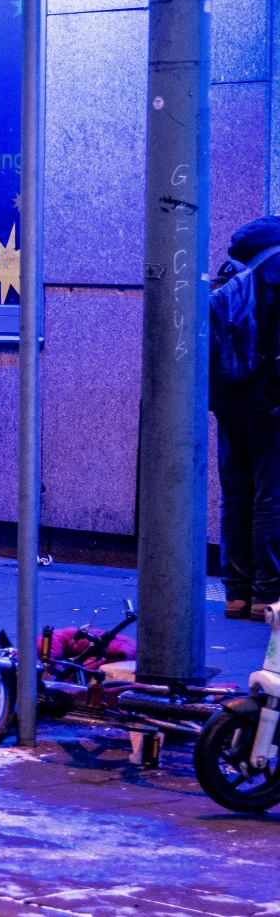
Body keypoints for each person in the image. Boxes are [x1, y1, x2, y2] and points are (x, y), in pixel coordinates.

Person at [213, 216, 280, 621]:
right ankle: (267, 594)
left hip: (228, 393)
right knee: (270, 495)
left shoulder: (233, 272)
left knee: (236, 494)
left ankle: (236, 594)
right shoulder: (277, 270)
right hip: (268, 398)